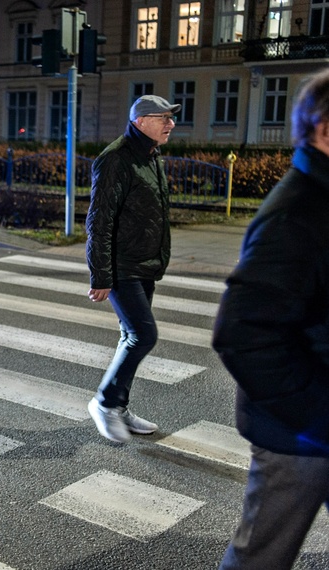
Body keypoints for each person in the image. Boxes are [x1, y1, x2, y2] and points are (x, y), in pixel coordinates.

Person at [213, 69, 329, 569]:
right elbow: (241, 333)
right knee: (261, 558)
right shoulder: (297, 213)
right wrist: (316, 417)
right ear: (324, 127)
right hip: (300, 437)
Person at [85, 95, 180, 443]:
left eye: (171, 119)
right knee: (144, 335)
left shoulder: (151, 157)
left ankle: (119, 406)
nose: (170, 125)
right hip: (122, 264)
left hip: (145, 264)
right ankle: (105, 403)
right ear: (140, 121)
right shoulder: (115, 159)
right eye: (163, 119)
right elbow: (99, 221)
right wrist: (101, 275)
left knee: (130, 336)